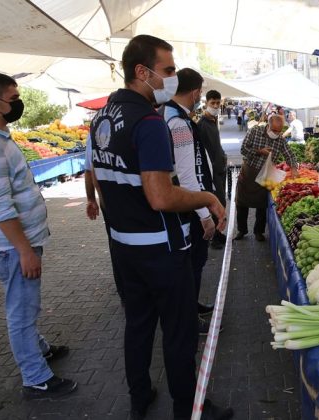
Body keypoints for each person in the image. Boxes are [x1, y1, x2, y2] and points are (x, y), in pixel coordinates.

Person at [88, 35, 232, 420]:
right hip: (161, 248)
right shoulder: (148, 122)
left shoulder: (103, 117)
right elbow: (161, 196)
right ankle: (188, 407)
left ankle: (140, 395)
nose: (172, 77)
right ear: (142, 72)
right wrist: (208, 199)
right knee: (179, 330)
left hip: (123, 247)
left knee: (138, 324)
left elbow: (99, 179)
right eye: (167, 71)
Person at [0, 72, 76, 399]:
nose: (18, 105)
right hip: (11, 247)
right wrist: (24, 250)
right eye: (13, 100)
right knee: (21, 311)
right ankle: (36, 377)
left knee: (22, 303)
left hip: (11, 245)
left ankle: (39, 349)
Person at [161, 68, 217, 334]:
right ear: (195, 91)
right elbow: (187, 175)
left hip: (188, 205)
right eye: (201, 92)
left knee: (193, 264)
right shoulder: (179, 124)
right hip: (190, 208)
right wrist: (205, 215)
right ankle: (189, 319)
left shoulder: (172, 115)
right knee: (192, 264)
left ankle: (192, 307)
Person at [236, 114, 298, 241]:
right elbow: (243, 149)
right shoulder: (255, 131)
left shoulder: (280, 139)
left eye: (279, 131)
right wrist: (259, 151)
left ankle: (259, 231)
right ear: (268, 125)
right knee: (241, 203)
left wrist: (293, 168)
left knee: (262, 204)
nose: (276, 133)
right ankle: (241, 230)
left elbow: (289, 154)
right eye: (274, 130)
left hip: (267, 174)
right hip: (249, 171)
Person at [84, 133, 126, 306]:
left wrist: (92, 199)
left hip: (110, 202)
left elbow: (89, 169)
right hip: (120, 203)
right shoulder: (139, 122)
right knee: (122, 248)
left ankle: (126, 292)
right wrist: (92, 199)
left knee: (118, 246)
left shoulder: (95, 130)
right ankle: (127, 292)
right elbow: (90, 169)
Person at [198, 89, 228, 250]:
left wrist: (223, 156)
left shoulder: (213, 121)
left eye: (218, 103)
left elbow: (216, 145)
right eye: (212, 103)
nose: (215, 105)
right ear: (206, 103)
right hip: (211, 172)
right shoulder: (202, 125)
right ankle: (214, 238)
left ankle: (218, 234)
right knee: (217, 203)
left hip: (219, 169)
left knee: (222, 201)